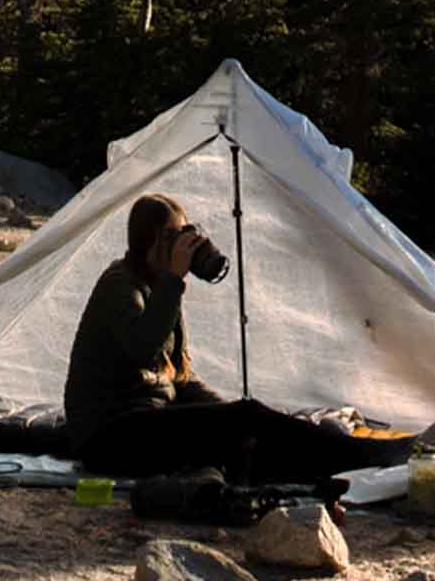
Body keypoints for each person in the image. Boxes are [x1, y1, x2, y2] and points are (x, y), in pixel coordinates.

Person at [61, 192, 375, 484]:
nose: (182, 246)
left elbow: (180, 378)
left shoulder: (159, 286)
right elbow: (142, 348)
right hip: (108, 437)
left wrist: (228, 415)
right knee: (245, 418)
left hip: (147, 422)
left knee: (247, 436)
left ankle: (348, 464)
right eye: (174, 236)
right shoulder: (119, 285)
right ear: (152, 240)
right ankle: (367, 455)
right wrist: (175, 279)